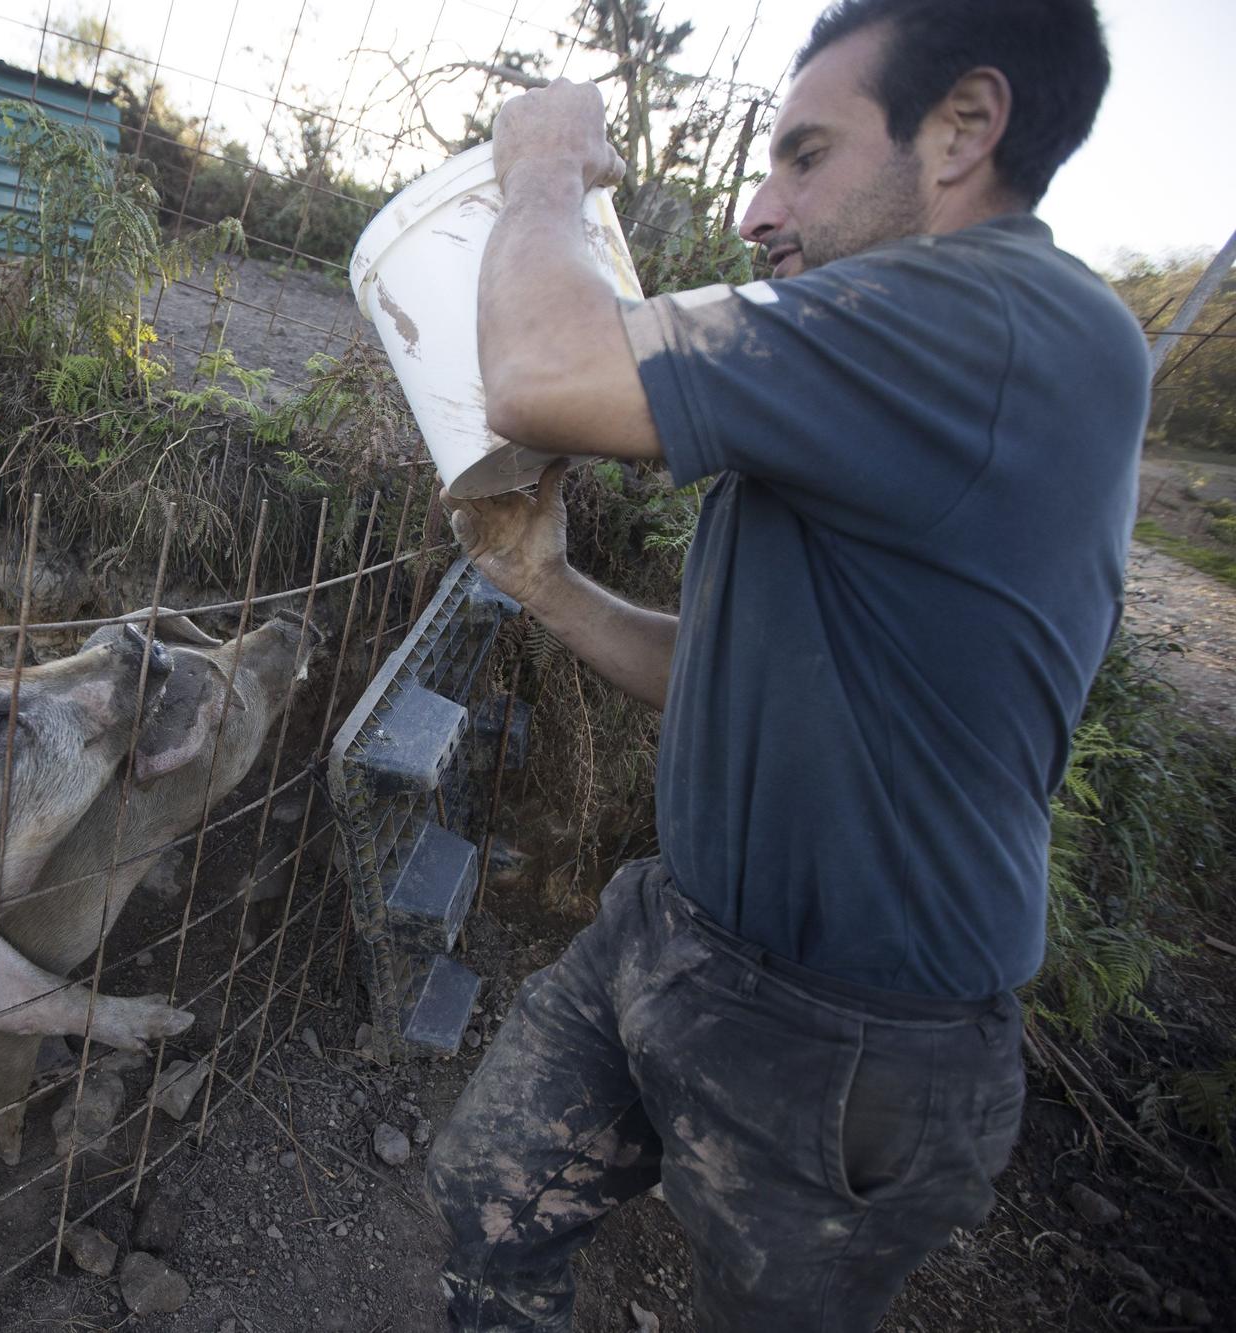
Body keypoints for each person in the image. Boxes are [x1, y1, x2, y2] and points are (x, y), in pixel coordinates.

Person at [425, 1, 1149, 1329]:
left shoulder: (1002, 324)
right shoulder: (887, 375)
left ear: (963, 130)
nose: (758, 211)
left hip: (858, 1040)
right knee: (486, 1190)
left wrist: (540, 172)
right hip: (677, 935)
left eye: (802, 157)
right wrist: (547, 584)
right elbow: (728, 676)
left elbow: (539, 369)